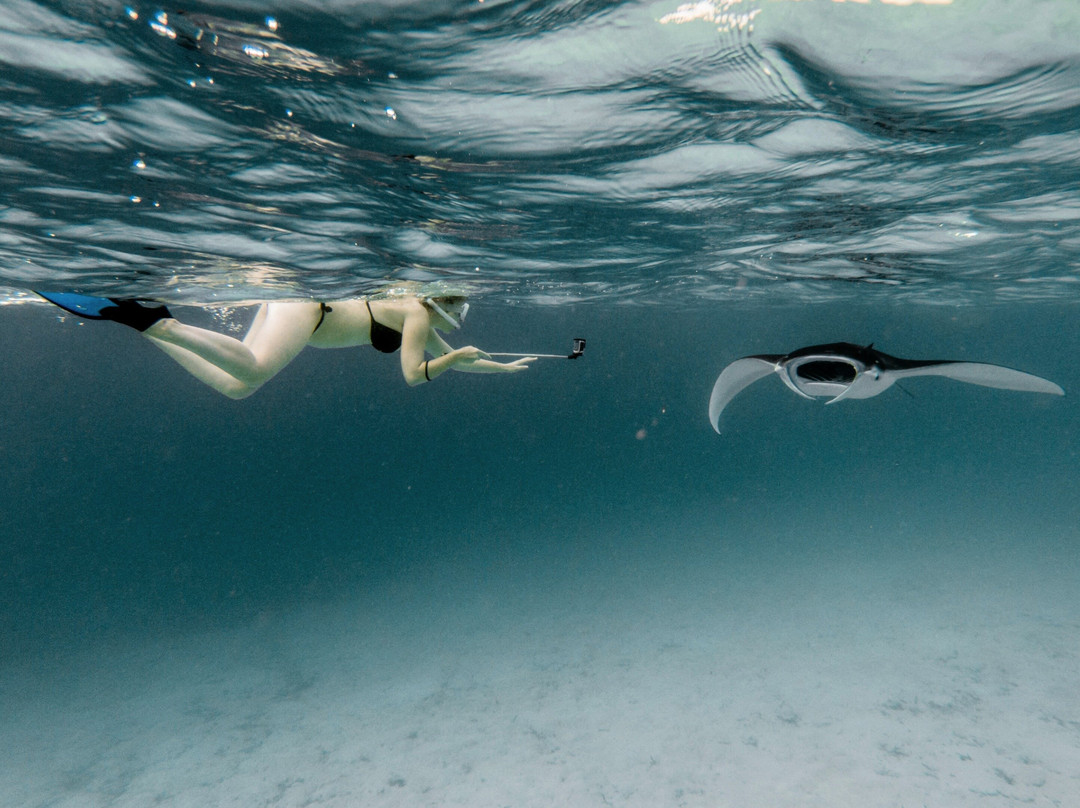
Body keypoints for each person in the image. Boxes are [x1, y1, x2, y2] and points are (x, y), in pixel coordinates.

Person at [37, 288, 535, 399]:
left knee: (238, 387)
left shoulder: (417, 316)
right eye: (461, 307)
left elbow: (453, 363)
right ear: (444, 299)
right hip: (307, 311)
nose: (461, 318)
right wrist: (457, 358)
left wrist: (505, 369)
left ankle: (148, 325)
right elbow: (416, 374)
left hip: (304, 312)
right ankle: (155, 322)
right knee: (252, 369)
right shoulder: (415, 313)